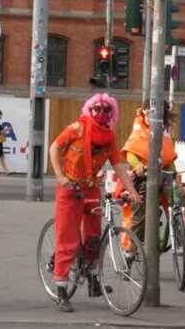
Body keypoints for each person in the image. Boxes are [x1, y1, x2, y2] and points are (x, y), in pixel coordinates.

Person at [48, 93, 141, 313]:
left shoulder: (109, 137)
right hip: (70, 188)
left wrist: (133, 192)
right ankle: (61, 289)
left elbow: (118, 165)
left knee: (93, 236)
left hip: (90, 187)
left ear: (113, 114)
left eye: (107, 109)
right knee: (68, 238)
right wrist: (60, 176)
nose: (102, 113)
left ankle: (92, 279)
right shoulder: (77, 129)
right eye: (97, 108)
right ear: (89, 109)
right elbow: (54, 148)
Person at [119, 101, 185, 245]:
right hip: (144, 177)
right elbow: (130, 152)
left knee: (180, 197)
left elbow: (169, 156)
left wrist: (175, 178)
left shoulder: (163, 130)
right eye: (147, 112)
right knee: (139, 218)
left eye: (153, 112)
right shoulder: (139, 129)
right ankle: (129, 254)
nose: (149, 115)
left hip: (164, 173)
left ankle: (178, 230)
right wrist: (138, 166)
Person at [0, 110, 11, 176]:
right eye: (1, 114)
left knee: (1, 156)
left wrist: (4, 132)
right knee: (1, 156)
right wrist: (6, 130)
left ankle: (6, 171)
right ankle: (6, 171)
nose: (1, 116)